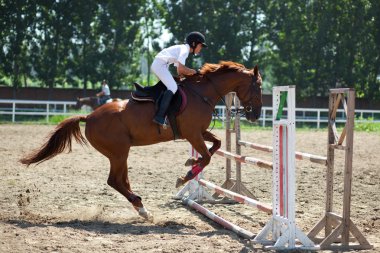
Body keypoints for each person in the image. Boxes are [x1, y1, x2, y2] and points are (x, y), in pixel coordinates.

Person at [151, 31, 208, 126]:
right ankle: (159, 116)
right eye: (200, 46)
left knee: (173, 87)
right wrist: (194, 71)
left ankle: (165, 113)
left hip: (161, 65)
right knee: (173, 88)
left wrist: (187, 75)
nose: (201, 48)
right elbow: (181, 69)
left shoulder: (183, 49)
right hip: (160, 65)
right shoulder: (185, 50)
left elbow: (179, 71)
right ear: (194, 44)